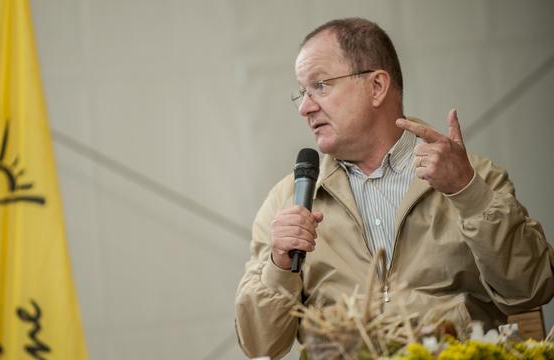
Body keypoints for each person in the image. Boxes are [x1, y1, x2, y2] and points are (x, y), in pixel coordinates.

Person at [234, 18, 554, 359]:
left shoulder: (473, 178)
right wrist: (279, 266)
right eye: (302, 91)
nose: (305, 107)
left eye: (320, 85)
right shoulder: (286, 201)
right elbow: (260, 345)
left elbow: (531, 289)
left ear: (376, 86)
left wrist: (468, 194)